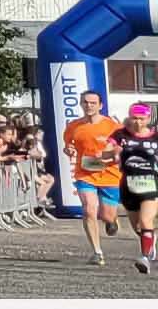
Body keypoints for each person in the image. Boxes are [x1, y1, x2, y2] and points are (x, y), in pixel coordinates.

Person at [62, 91, 116, 266]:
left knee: (106, 216)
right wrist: (68, 150)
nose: (89, 105)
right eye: (85, 102)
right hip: (85, 173)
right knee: (88, 209)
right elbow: (68, 145)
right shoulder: (74, 126)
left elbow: (120, 150)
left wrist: (108, 155)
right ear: (81, 104)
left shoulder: (112, 126)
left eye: (93, 103)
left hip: (109, 174)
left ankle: (111, 220)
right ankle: (97, 252)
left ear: (100, 105)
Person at [121, 106, 158, 274]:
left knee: (145, 221)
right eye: (134, 118)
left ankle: (144, 257)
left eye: (141, 118)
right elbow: (108, 149)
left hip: (151, 183)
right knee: (138, 227)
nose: (137, 121)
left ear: (148, 118)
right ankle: (151, 240)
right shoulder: (121, 135)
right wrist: (108, 154)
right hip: (128, 184)